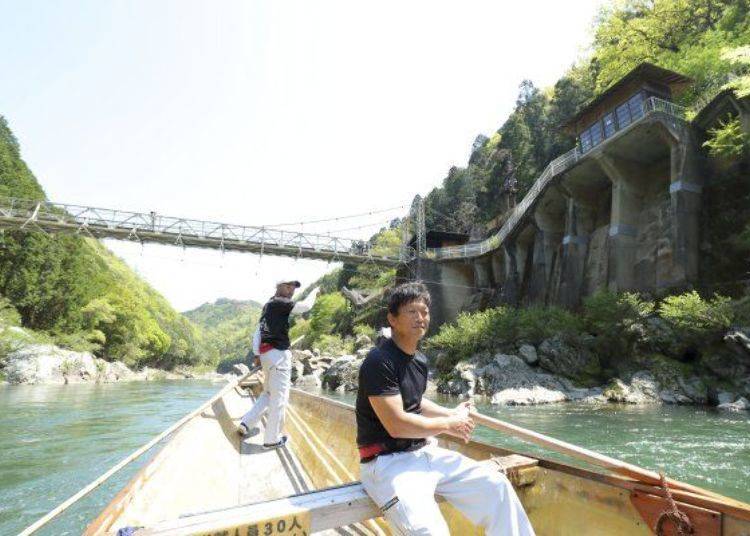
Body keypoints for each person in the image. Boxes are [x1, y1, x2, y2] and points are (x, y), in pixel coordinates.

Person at [356, 282, 535, 535]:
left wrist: (452, 413)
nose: (421, 318)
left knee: (497, 488)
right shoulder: (379, 361)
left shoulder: (418, 360)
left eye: (425, 312)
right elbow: (397, 425)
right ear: (392, 319)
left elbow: (415, 402)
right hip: (387, 464)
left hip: (424, 452)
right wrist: (449, 425)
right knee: (427, 531)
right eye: (412, 312)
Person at [238, 278, 319, 449]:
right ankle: (272, 439)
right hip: (278, 357)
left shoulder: (268, 305)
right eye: (288, 286)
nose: (291, 290)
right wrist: (315, 292)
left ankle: (246, 423)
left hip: (267, 355)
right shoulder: (280, 303)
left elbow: (257, 332)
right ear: (278, 287)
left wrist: (256, 354)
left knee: (268, 393)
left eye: (293, 288)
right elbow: (305, 307)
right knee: (279, 398)